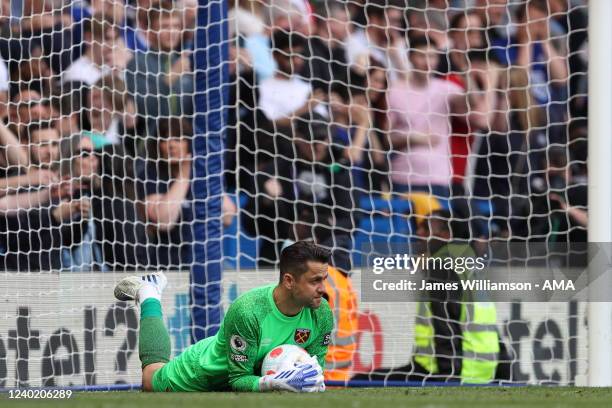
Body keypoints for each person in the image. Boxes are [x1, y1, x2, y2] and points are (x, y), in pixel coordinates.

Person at [113, 241, 333, 392]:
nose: (323, 288)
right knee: (151, 377)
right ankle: (149, 293)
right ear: (289, 281)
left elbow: (315, 372)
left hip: (249, 363)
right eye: (315, 281)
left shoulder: (322, 312)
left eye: (324, 279)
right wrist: (273, 382)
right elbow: (237, 380)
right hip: (206, 372)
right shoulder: (248, 310)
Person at [352, 209, 505, 384]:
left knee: (360, 381)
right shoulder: (471, 265)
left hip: (447, 371)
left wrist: (448, 379)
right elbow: (491, 328)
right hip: (482, 371)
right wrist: (505, 372)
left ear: (446, 235)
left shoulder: (441, 266)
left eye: (426, 228)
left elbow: (445, 326)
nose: (419, 233)